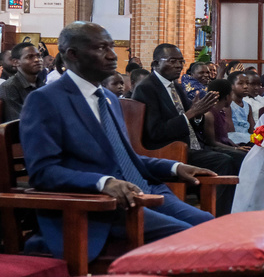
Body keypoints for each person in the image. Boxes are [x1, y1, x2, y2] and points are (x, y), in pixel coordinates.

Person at [21, 22, 214, 262]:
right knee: (189, 237)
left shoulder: (109, 99)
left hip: (146, 191)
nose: (113, 55)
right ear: (72, 54)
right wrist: (103, 182)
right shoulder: (45, 100)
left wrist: (174, 167)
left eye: (111, 47)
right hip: (103, 206)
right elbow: (43, 172)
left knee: (209, 224)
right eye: (101, 48)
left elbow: (123, 158)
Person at [130, 44, 243, 212]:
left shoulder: (175, 86)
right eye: (172, 61)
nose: (178, 65)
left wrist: (198, 115)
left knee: (240, 157)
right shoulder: (146, 88)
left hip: (191, 146)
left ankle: (236, 210)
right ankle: (217, 215)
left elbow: (192, 120)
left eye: (181, 61)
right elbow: (155, 132)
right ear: (155, 64)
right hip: (168, 150)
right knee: (223, 162)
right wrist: (191, 114)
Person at [0, 41, 46, 121]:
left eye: (39, 56)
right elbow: (19, 121)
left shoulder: (42, 84)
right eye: (30, 57)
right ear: (16, 62)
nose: (37, 60)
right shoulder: (9, 87)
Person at [202, 78, 250, 151]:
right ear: (227, 97)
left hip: (226, 146)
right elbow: (212, 142)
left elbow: (225, 138)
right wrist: (235, 149)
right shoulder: (209, 115)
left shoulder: (221, 112)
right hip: (217, 150)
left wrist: (238, 147)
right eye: (231, 95)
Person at [226, 71, 255, 144]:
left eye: (247, 83)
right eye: (241, 83)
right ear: (231, 86)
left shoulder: (248, 106)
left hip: (248, 139)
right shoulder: (228, 105)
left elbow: (252, 130)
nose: (245, 86)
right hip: (235, 140)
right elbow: (231, 132)